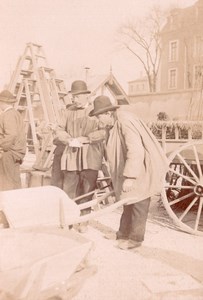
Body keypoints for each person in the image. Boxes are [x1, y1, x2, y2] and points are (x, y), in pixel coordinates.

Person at [89, 95, 168, 250]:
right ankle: (123, 234)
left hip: (140, 167)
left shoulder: (125, 121)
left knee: (139, 202)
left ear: (108, 114)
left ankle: (135, 239)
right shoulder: (113, 124)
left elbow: (136, 150)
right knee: (127, 201)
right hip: (131, 167)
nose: (98, 121)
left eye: (99, 117)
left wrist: (130, 176)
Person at [53, 80, 106, 232]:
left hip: (90, 156)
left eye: (77, 96)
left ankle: (84, 221)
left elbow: (103, 132)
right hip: (71, 155)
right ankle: (69, 220)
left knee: (87, 190)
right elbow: (58, 129)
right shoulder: (67, 111)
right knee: (68, 189)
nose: (74, 99)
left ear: (85, 96)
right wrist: (68, 139)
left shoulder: (95, 112)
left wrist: (87, 138)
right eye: (73, 96)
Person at [0, 90, 26, 191]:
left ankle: (6, 205)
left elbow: (11, 134)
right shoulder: (16, 114)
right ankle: (18, 204)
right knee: (15, 181)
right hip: (17, 152)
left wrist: (1, 147)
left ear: (2, 102)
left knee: (6, 181)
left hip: (9, 153)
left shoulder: (7, 115)